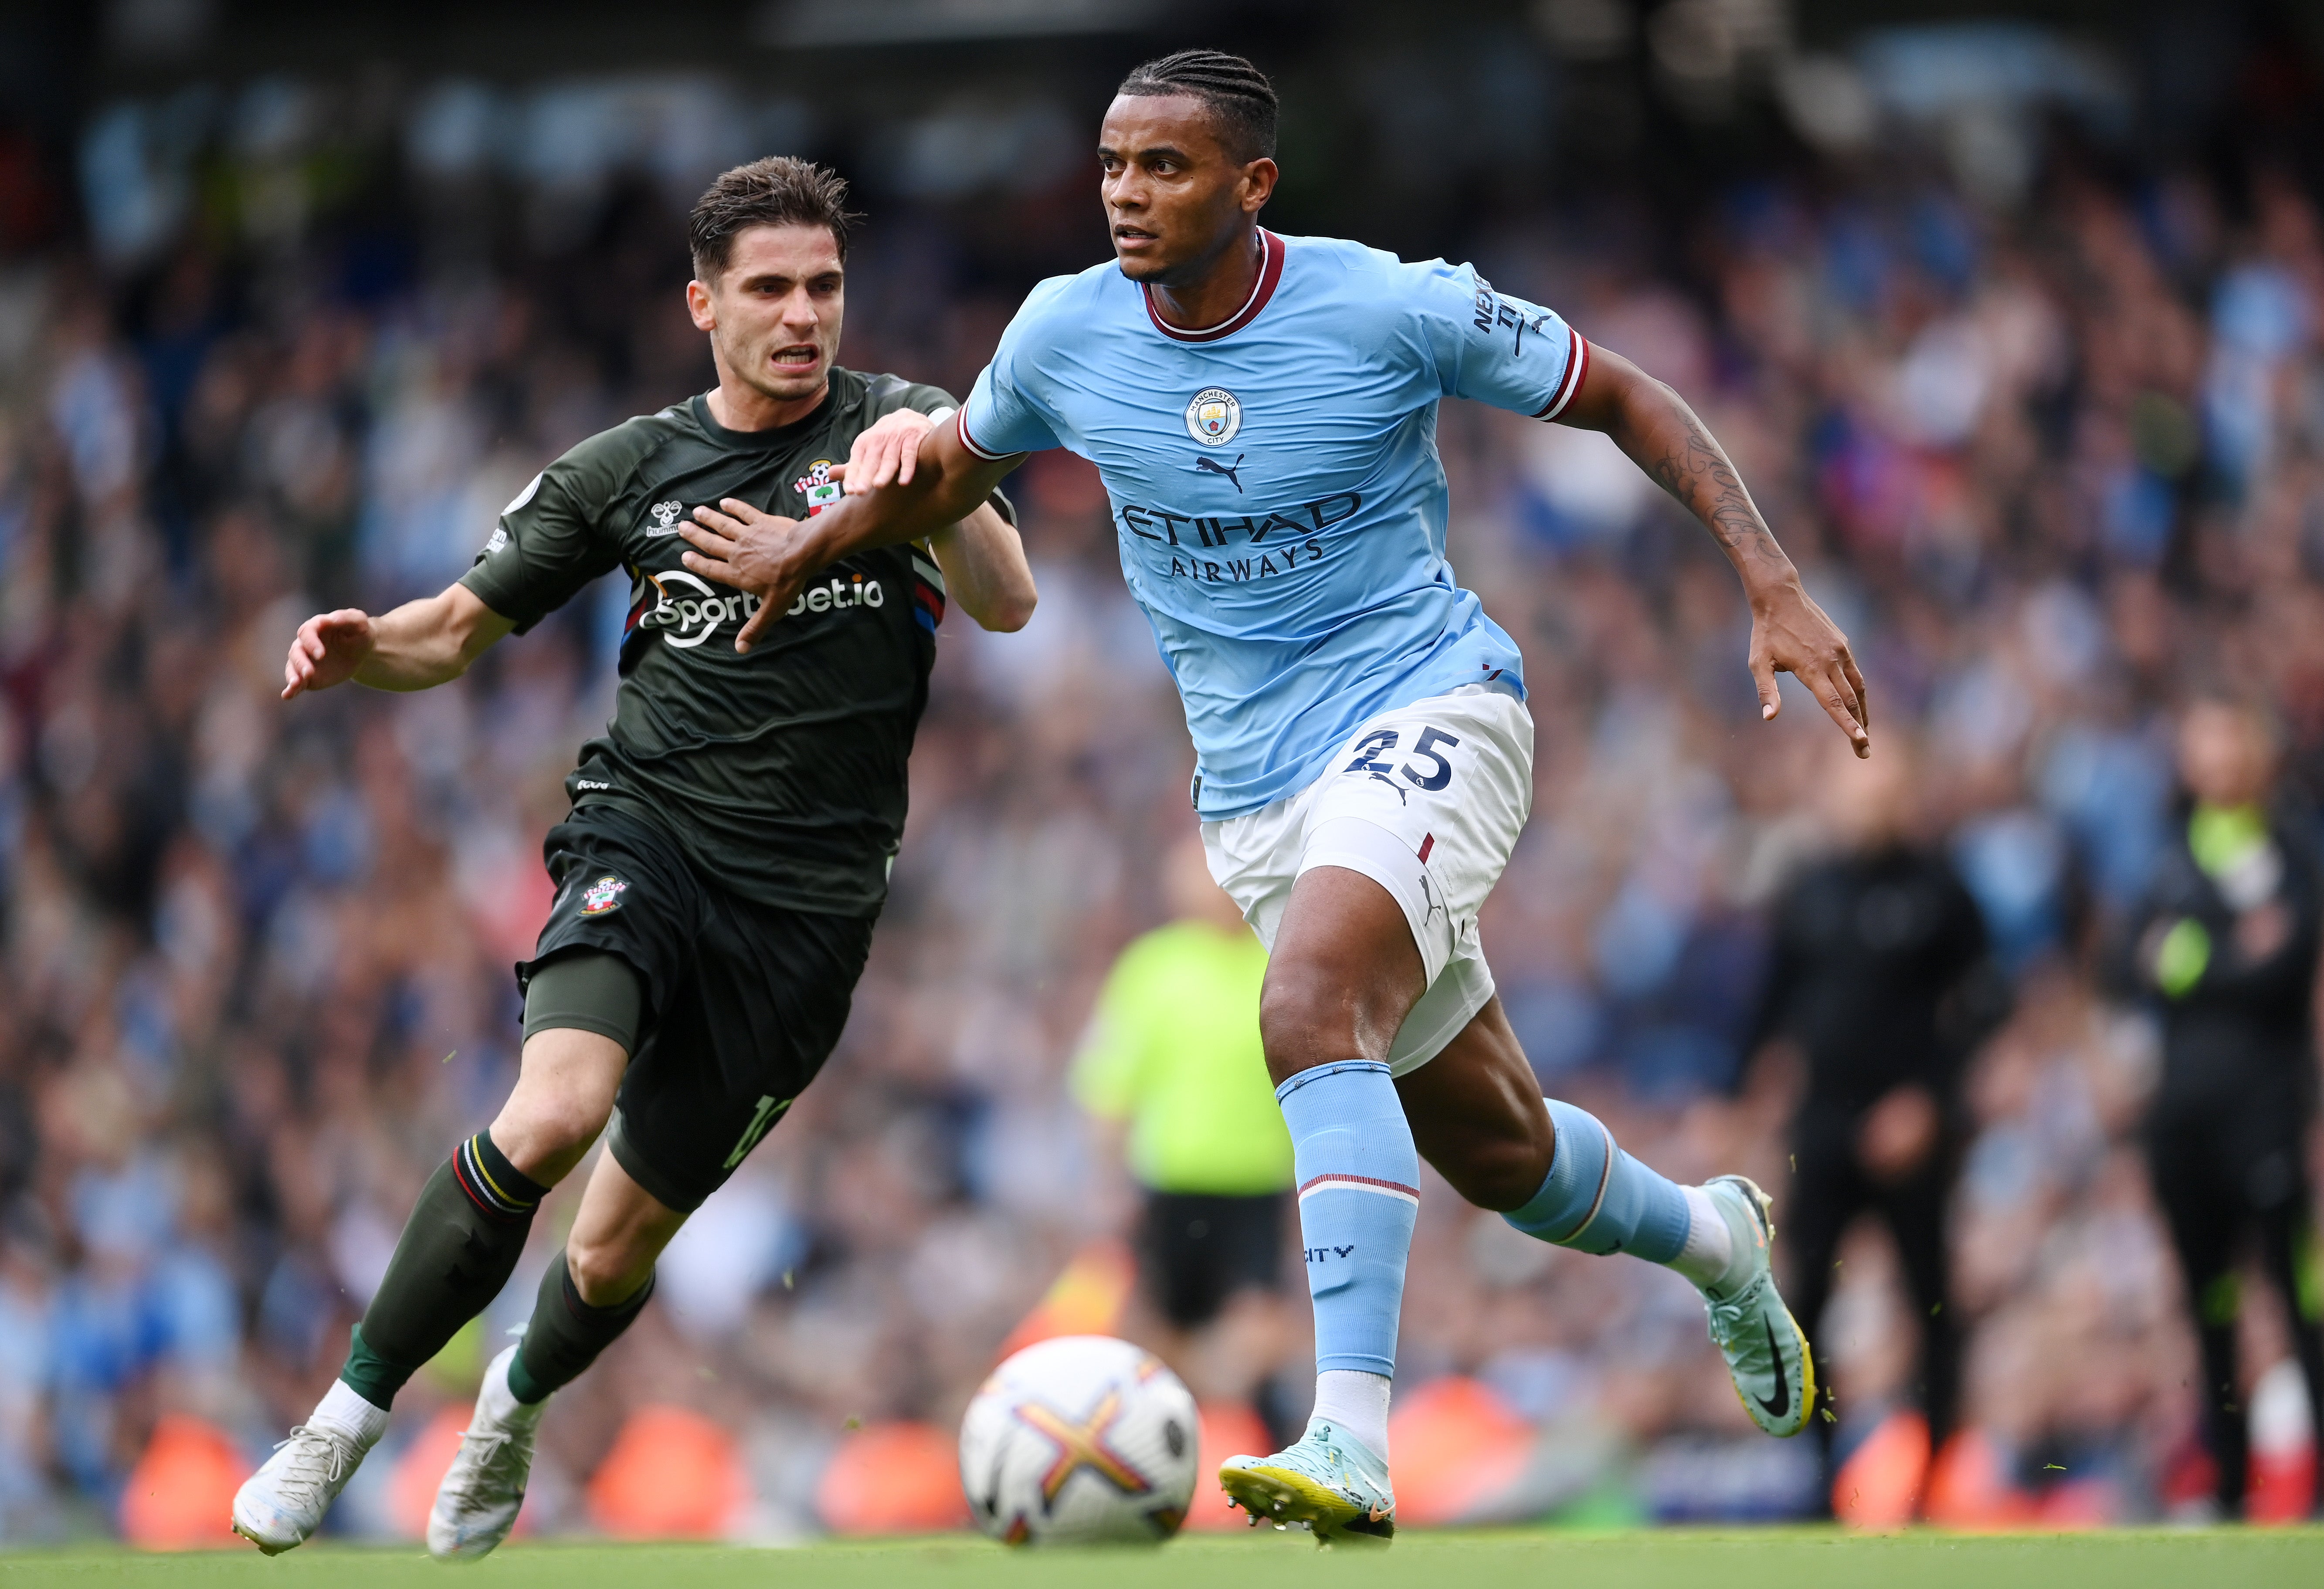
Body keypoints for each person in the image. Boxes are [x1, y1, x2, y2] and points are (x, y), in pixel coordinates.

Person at [677, 51, 1870, 1539]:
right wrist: (815, 543)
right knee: (1500, 1151)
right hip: (1256, 792)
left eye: (1165, 168)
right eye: (1114, 164)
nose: (1126, 193)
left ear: (1253, 185)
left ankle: (1348, 1439)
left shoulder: (1387, 304)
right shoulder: (1064, 330)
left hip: (1434, 704)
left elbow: (1619, 391)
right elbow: (955, 472)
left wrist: (1771, 578)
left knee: (1306, 1007)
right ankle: (1717, 1241)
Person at [229, 157, 1037, 1559]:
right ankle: (339, 1427)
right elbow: (451, 631)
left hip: (810, 916)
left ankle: (513, 1402)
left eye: (825, 287)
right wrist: (365, 652)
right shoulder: (625, 469)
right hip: (643, 837)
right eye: (770, 290)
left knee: (608, 1253)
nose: (803, 316)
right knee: (550, 1113)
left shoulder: (910, 424)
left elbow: (1009, 603)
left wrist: (938, 489)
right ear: (701, 305)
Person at [1743, 741, 2002, 1484]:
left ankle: (1936, 1468)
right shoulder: (1810, 889)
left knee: (1928, 1297)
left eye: (1888, 786)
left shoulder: (1940, 889)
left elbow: (1984, 1002)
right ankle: (1818, 1473)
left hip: (1909, 1130)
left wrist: (1931, 1100)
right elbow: (1773, 1003)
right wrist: (1743, 1089)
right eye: (1858, 787)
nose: (1871, 801)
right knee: (1807, 1298)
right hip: (1823, 1126)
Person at [2130, 695, 2324, 1518]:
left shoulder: (2292, 848)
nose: (2212, 757)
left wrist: (2187, 958)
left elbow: (2285, 962)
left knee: (2295, 1289)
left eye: (2225, 737)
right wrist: (2223, 954)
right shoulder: (2172, 854)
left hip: (2269, 1112)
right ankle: (2227, 1484)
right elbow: (2129, 960)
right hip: (2182, 1123)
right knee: (2209, 1301)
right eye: (2198, 742)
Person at [1071, 830, 1294, 1411]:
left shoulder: (1279, 962)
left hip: (1256, 1183)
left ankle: (1238, 1418)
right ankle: (1182, 1423)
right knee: (1161, 1331)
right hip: (1170, 1182)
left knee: (1257, 1327)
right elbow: (1110, 1083)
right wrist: (1110, 1180)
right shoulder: (1152, 969)